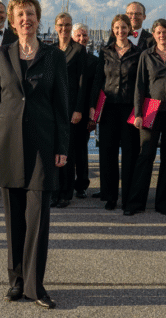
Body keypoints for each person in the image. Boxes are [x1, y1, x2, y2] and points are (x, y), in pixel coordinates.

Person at [0, 0, 69, 310]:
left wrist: (62, 146)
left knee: (38, 218)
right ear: (13, 20)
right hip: (5, 144)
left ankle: (36, 285)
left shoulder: (53, 56)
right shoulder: (1, 54)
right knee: (13, 219)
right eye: (19, 14)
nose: (24, 19)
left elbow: (62, 105)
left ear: (37, 18)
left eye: (30, 14)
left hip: (42, 147)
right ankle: (16, 282)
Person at [125, 18, 166, 216]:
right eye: (158, 32)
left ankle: (164, 204)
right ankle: (135, 203)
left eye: (165, 32)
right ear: (154, 34)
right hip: (151, 110)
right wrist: (138, 114)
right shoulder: (146, 56)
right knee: (146, 156)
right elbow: (139, 86)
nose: (162, 35)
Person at [91, 14, 141, 211]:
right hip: (109, 108)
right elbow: (97, 80)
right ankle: (110, 196)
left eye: (124, 27)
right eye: (117, 27)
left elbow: (140, 84)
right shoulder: (105, 52)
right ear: (113, 29)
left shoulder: (138, 53)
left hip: (129, 108)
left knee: (130, 154)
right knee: (107, 153)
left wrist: (139, 111)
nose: (120, 31)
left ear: (130, 29)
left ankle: (129, 197)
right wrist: (92, 106)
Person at [51, 12, 87, 208]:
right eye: (60, 25)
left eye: (67, 25)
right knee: (53, 150)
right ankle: (54, 192)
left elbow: (83, 82)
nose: (63, 28)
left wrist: (79, 109)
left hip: (71, 108)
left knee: (69, 152)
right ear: (55, 27)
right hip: (53, 108)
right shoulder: (50, 50)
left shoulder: (79, 50)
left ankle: (66, 193)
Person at [70, 23, 97, 200]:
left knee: (81, 150)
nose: (82, 39)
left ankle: (81, 186)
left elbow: (95, 89)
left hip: (85, 111)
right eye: (78, 35)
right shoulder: (65, 57)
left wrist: (92, 116)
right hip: (66, 109)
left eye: (84, 35)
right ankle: (64, 184)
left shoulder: (94, 61)